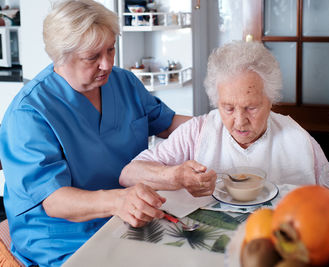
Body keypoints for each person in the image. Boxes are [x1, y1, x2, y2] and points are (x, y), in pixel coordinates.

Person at [0, 0, 191, 266]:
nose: (107, 64)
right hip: (62, 236)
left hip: (125, 217)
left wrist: (219, 122)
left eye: (111, 50)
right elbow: (55, 201)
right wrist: (118, 201)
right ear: (60, 57)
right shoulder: (29, 114)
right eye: (92, 57)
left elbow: (167, 123)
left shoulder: (123, 82)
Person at [119, 41, 328, 192]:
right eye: (228, 108)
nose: (239, 121)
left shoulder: (298, 140)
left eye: (251, 108)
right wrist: (175, 176)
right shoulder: (197, 132)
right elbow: (129, 174)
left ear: (270, 100)